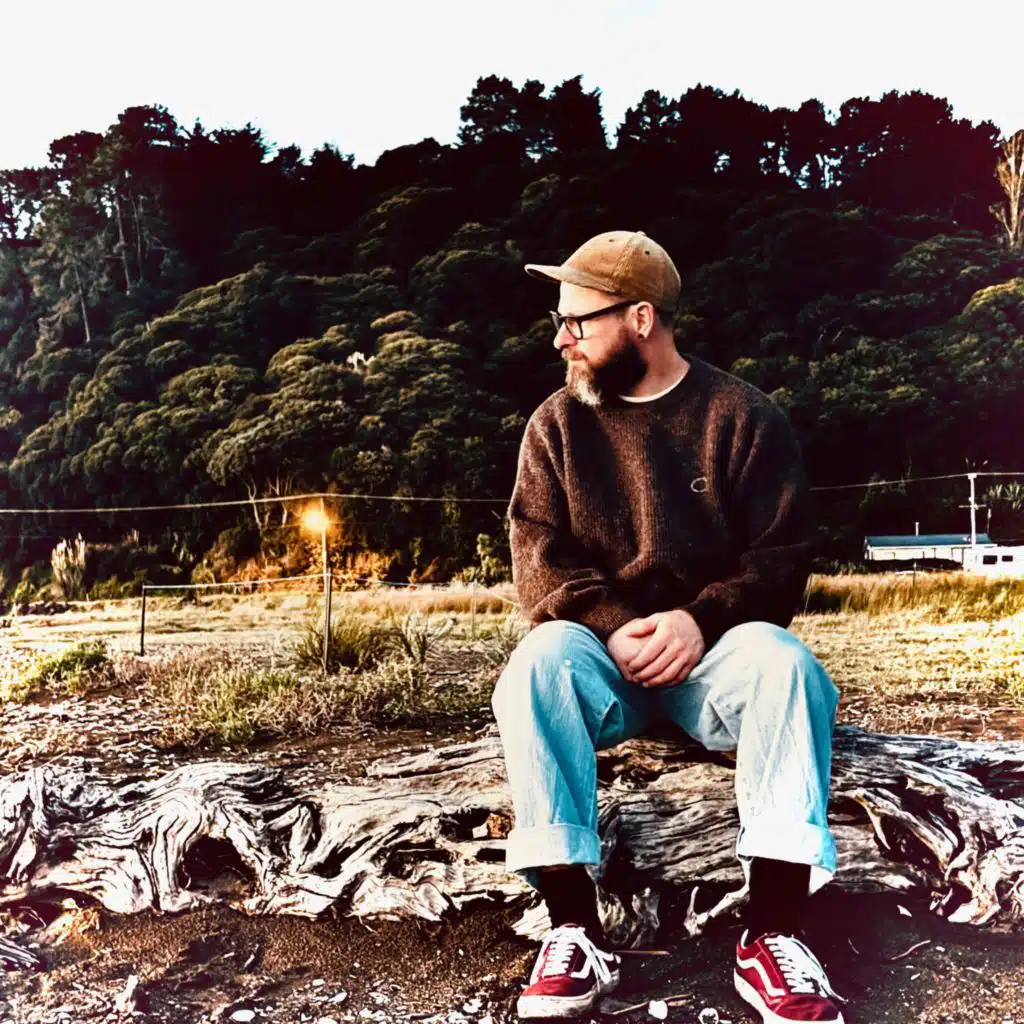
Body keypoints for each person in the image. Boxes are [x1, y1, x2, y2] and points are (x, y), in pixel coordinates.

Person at [491, 231, 844, 1023]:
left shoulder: (743, 416)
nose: (561, 340)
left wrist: (699, 619)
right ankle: (573, 929)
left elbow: (781, 559)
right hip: (601, 659)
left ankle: (773, 933)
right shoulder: (556, 424)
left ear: (641, 318)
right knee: (537, 663)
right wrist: (614, 625)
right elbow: (537, 559)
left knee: (789, 665)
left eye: (577, 321)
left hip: (716, 656)